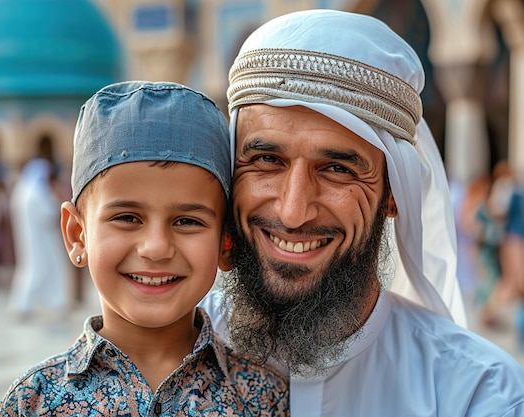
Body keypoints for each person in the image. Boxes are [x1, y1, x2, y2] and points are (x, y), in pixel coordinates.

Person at [199, 9, 524, 416]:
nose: (294, 210)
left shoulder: (477, 395)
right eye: (266, 160)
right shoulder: (152, 364)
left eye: (337, 169)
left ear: (393, 195)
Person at [0, 81, 288, 416]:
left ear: (226, 243)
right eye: (127, 218)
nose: (156, 248)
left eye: (188, 221)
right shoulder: (34, 402)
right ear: (78, 234)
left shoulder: (261, 398)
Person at [7, 158, 70, 320]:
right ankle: (23, 305)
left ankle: (54, 303)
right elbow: (48, 214)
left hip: (36, 239)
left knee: (41, 269)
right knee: (38, 270)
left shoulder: (23, 190)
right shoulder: (35, 193)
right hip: (40, 240)